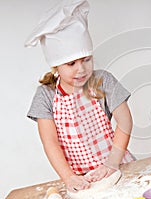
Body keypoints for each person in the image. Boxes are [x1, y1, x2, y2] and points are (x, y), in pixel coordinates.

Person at [25, 0, 135, 192]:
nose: (81, 69)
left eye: (86, 60)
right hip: (81, 179)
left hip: (117, 166)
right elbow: (50, 141)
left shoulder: (103, 80)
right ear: (56, 66)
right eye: (71, 64)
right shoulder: (46, 95)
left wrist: (112, 163)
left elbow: (125, 121)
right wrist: (69, 178)